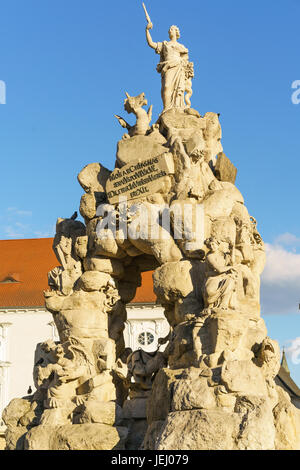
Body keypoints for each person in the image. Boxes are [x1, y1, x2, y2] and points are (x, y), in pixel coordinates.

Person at [146, 22, 192, 111]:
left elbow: (185, 59)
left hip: (177, 67)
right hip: (167, 67)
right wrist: (147, 30)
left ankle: (177, 106)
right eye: (169, 30)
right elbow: (151, 43)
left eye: (172, 29)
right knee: (166, 86)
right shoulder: (164, 44)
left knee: (177, 88)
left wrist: (178, 62)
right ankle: (166, 109)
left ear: (176, 32)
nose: (169, 31)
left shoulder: (181, 46)